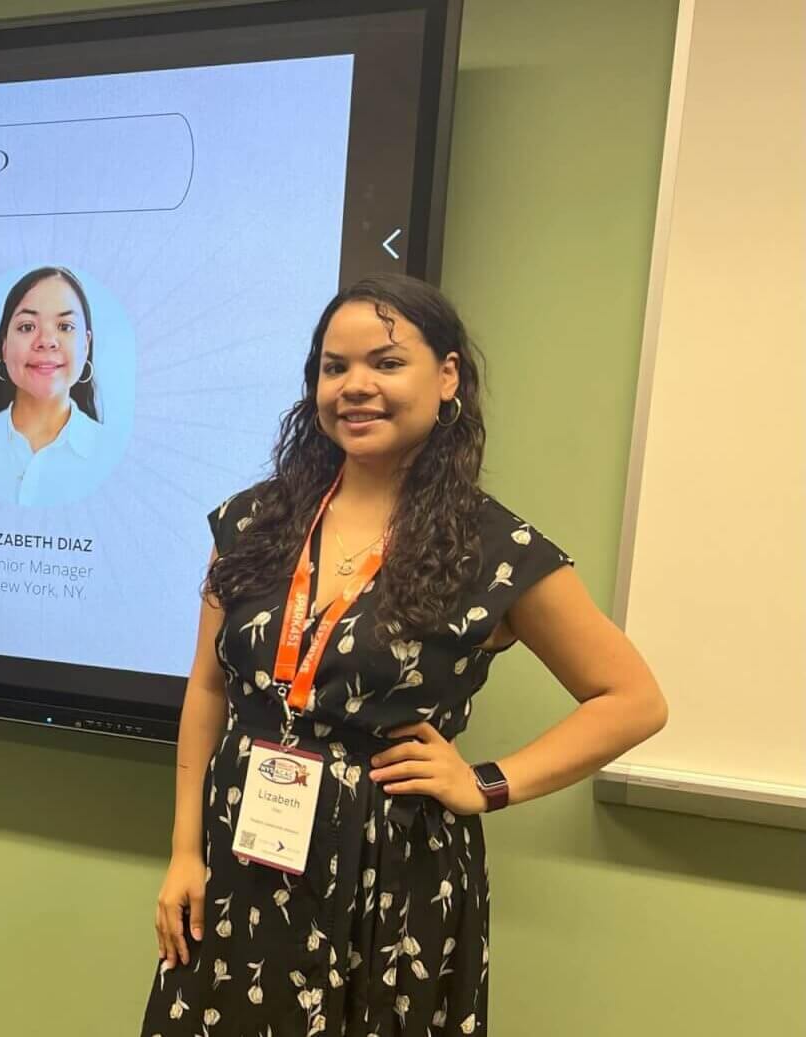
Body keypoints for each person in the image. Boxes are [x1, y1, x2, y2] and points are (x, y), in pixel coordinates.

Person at [139, 275, 665, 1036]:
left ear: (446, 377)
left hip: (392, 881)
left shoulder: (494, 550)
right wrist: (185, 851)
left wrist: (486, 782)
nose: (354, 386)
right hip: (241, 861)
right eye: (334, 367)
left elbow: (633, 699)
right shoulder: (252, 522)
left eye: (386, 363)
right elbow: (209, 688)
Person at [0, 266, 104, 506]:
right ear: (5, 346)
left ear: (86, 345)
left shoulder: (111, 454)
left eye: (65, 326)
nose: (46, 341)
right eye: (27, 327)